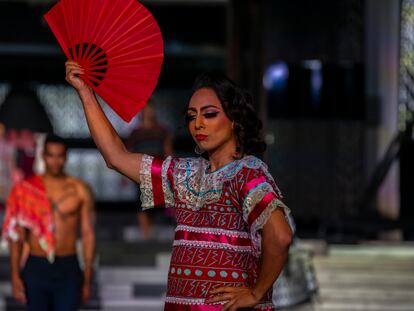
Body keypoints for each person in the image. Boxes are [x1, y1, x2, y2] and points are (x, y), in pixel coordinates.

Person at [66, 61, 294, 311]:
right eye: (191, 116)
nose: (198, 124)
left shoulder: (247, 173)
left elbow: (280, 236)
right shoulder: (184, 173)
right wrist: (85, 92)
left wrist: (256, 293)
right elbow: (116, 156)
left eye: (209, 114)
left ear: (234, 120)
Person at [2, 134, 96, 311]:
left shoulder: (80, 190)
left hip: (68, 264)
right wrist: (14, 276)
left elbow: (88, 234)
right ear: (43, 156)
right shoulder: (26, 189)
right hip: (36, 264)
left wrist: (88, 276)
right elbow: (17, 236)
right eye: (50, 155)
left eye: (59, 155)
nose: (55, 161)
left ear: (66, 157)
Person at [126, 103, 173, 239]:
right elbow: (129, 153)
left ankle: (150, 232)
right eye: (145, 109)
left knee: (155, 202)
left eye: (151, 108)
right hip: (140, 171)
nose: (149, 112)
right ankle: (145, 235)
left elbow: (168, 151)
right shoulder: (135, 133)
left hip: (158, 170)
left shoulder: (163, 131)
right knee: (141, 201)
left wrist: (169, 169)